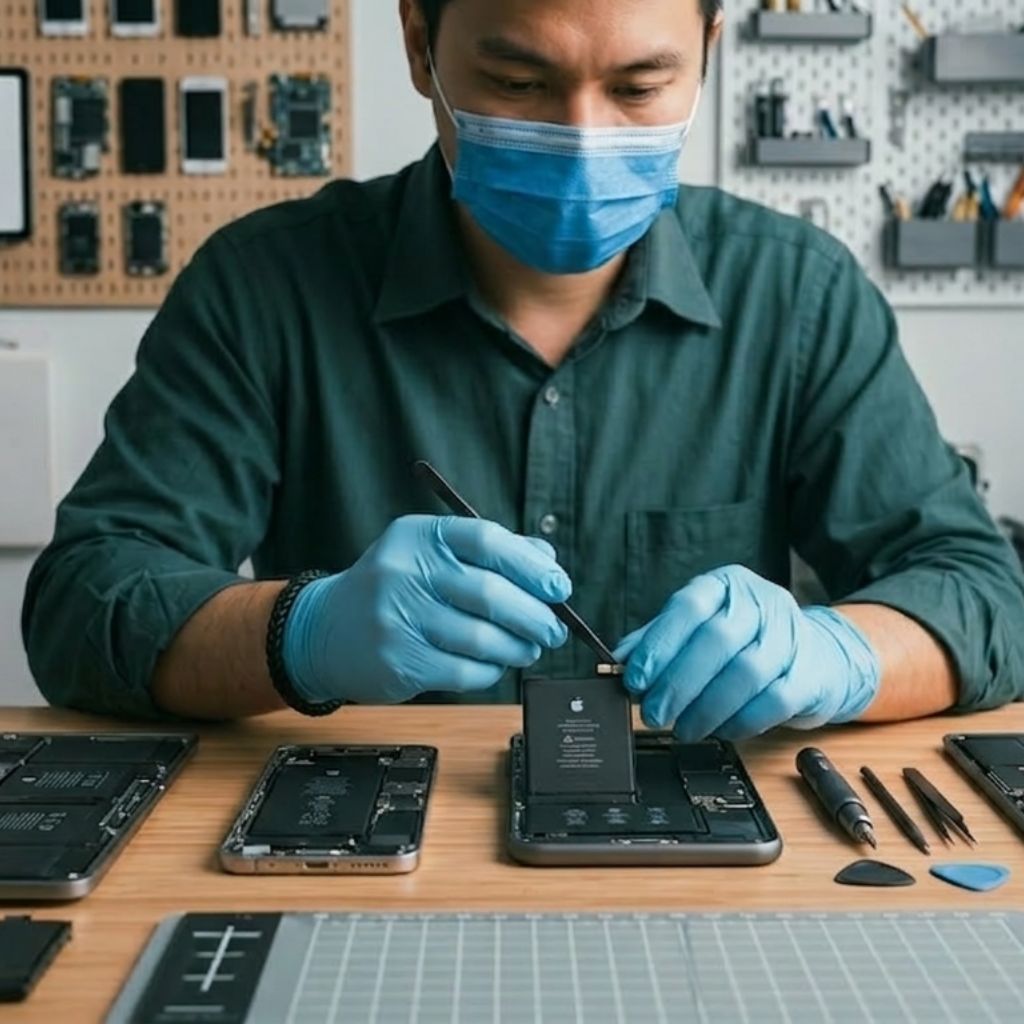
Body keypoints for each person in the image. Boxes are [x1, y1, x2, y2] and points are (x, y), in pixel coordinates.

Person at [22, 0, 1024, 737]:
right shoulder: (264, 285)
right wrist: (300, 630)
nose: (582, 140)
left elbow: (982, 596)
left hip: (698, 870)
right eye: (515, 83)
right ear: (419, 44)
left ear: (706, 56)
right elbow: (83, 605)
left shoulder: (797, 293)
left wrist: (837, 654)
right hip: (372, 862)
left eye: (638, 87)